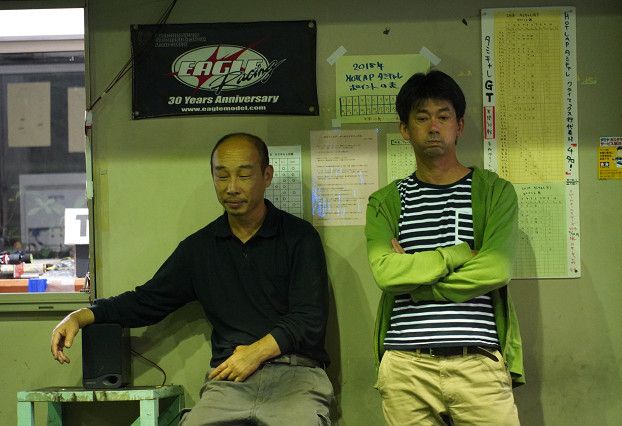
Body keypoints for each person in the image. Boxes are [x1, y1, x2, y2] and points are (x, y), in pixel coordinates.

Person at [51, 133, 334, 425]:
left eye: (244, 175)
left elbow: (309, 319)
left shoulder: (300, 237)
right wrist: (82, 315)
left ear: (267, 176)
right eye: (221, 176)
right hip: (231, 382)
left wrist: (255, 353)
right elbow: (147, 300)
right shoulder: (200, 248)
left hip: (296, 375)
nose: (232, 187)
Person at [365, 70, 524, 425]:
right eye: (422, 118)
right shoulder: (385, 202)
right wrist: (457, 254)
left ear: (459, 125)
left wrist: (416, 284)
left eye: (443, 116)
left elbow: (495, 269)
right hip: (405, 365)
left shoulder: (495, 192)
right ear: (405, 129)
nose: (433, 127)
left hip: (478, 363)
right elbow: (386, 274)